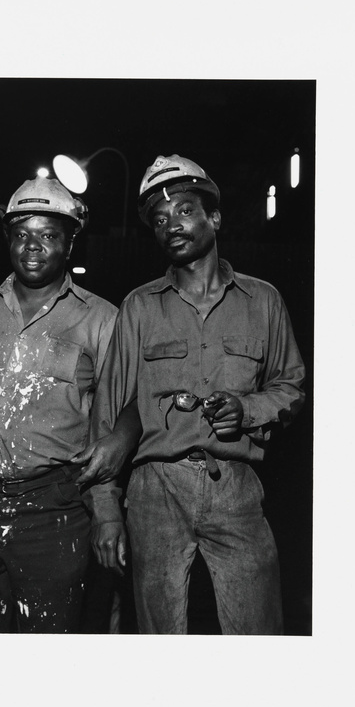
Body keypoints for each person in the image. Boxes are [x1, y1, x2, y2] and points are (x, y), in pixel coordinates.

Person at [88, 155, 306, 635]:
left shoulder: (262, 301)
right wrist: (106, 511)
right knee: (160, 636)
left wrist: (247, 410)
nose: (172, 225)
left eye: (185, 210)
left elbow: (290, 386)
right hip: (155, 491)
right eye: (160, 220)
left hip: (237, 487)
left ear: (215, 219)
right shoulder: (140, 307)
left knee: (258, 633)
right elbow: (108, 416)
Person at [0, 176, 137, 633]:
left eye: (48, 235)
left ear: (69, 244)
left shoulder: (101, 319)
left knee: (50, 639)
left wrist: (107, 508)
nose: (33, 246)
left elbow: (126, 405)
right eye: (22, 234)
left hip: (55, 508)